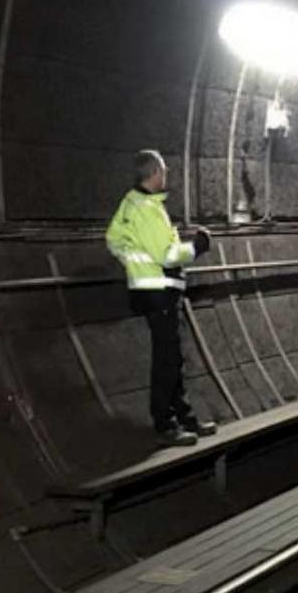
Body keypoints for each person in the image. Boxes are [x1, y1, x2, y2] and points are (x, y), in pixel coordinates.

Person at [106, 149, 217, 447]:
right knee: (167, 360)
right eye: (164, 169)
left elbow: (113, 238)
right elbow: (166, 255)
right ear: (155, 172)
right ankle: (166, 424)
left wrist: (132, 263)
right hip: (159, 292)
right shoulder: (146, 208)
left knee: (172, 357)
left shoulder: (132, 204)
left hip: (150, 289)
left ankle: (184, 417)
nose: (166, 174)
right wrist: (197, 246)